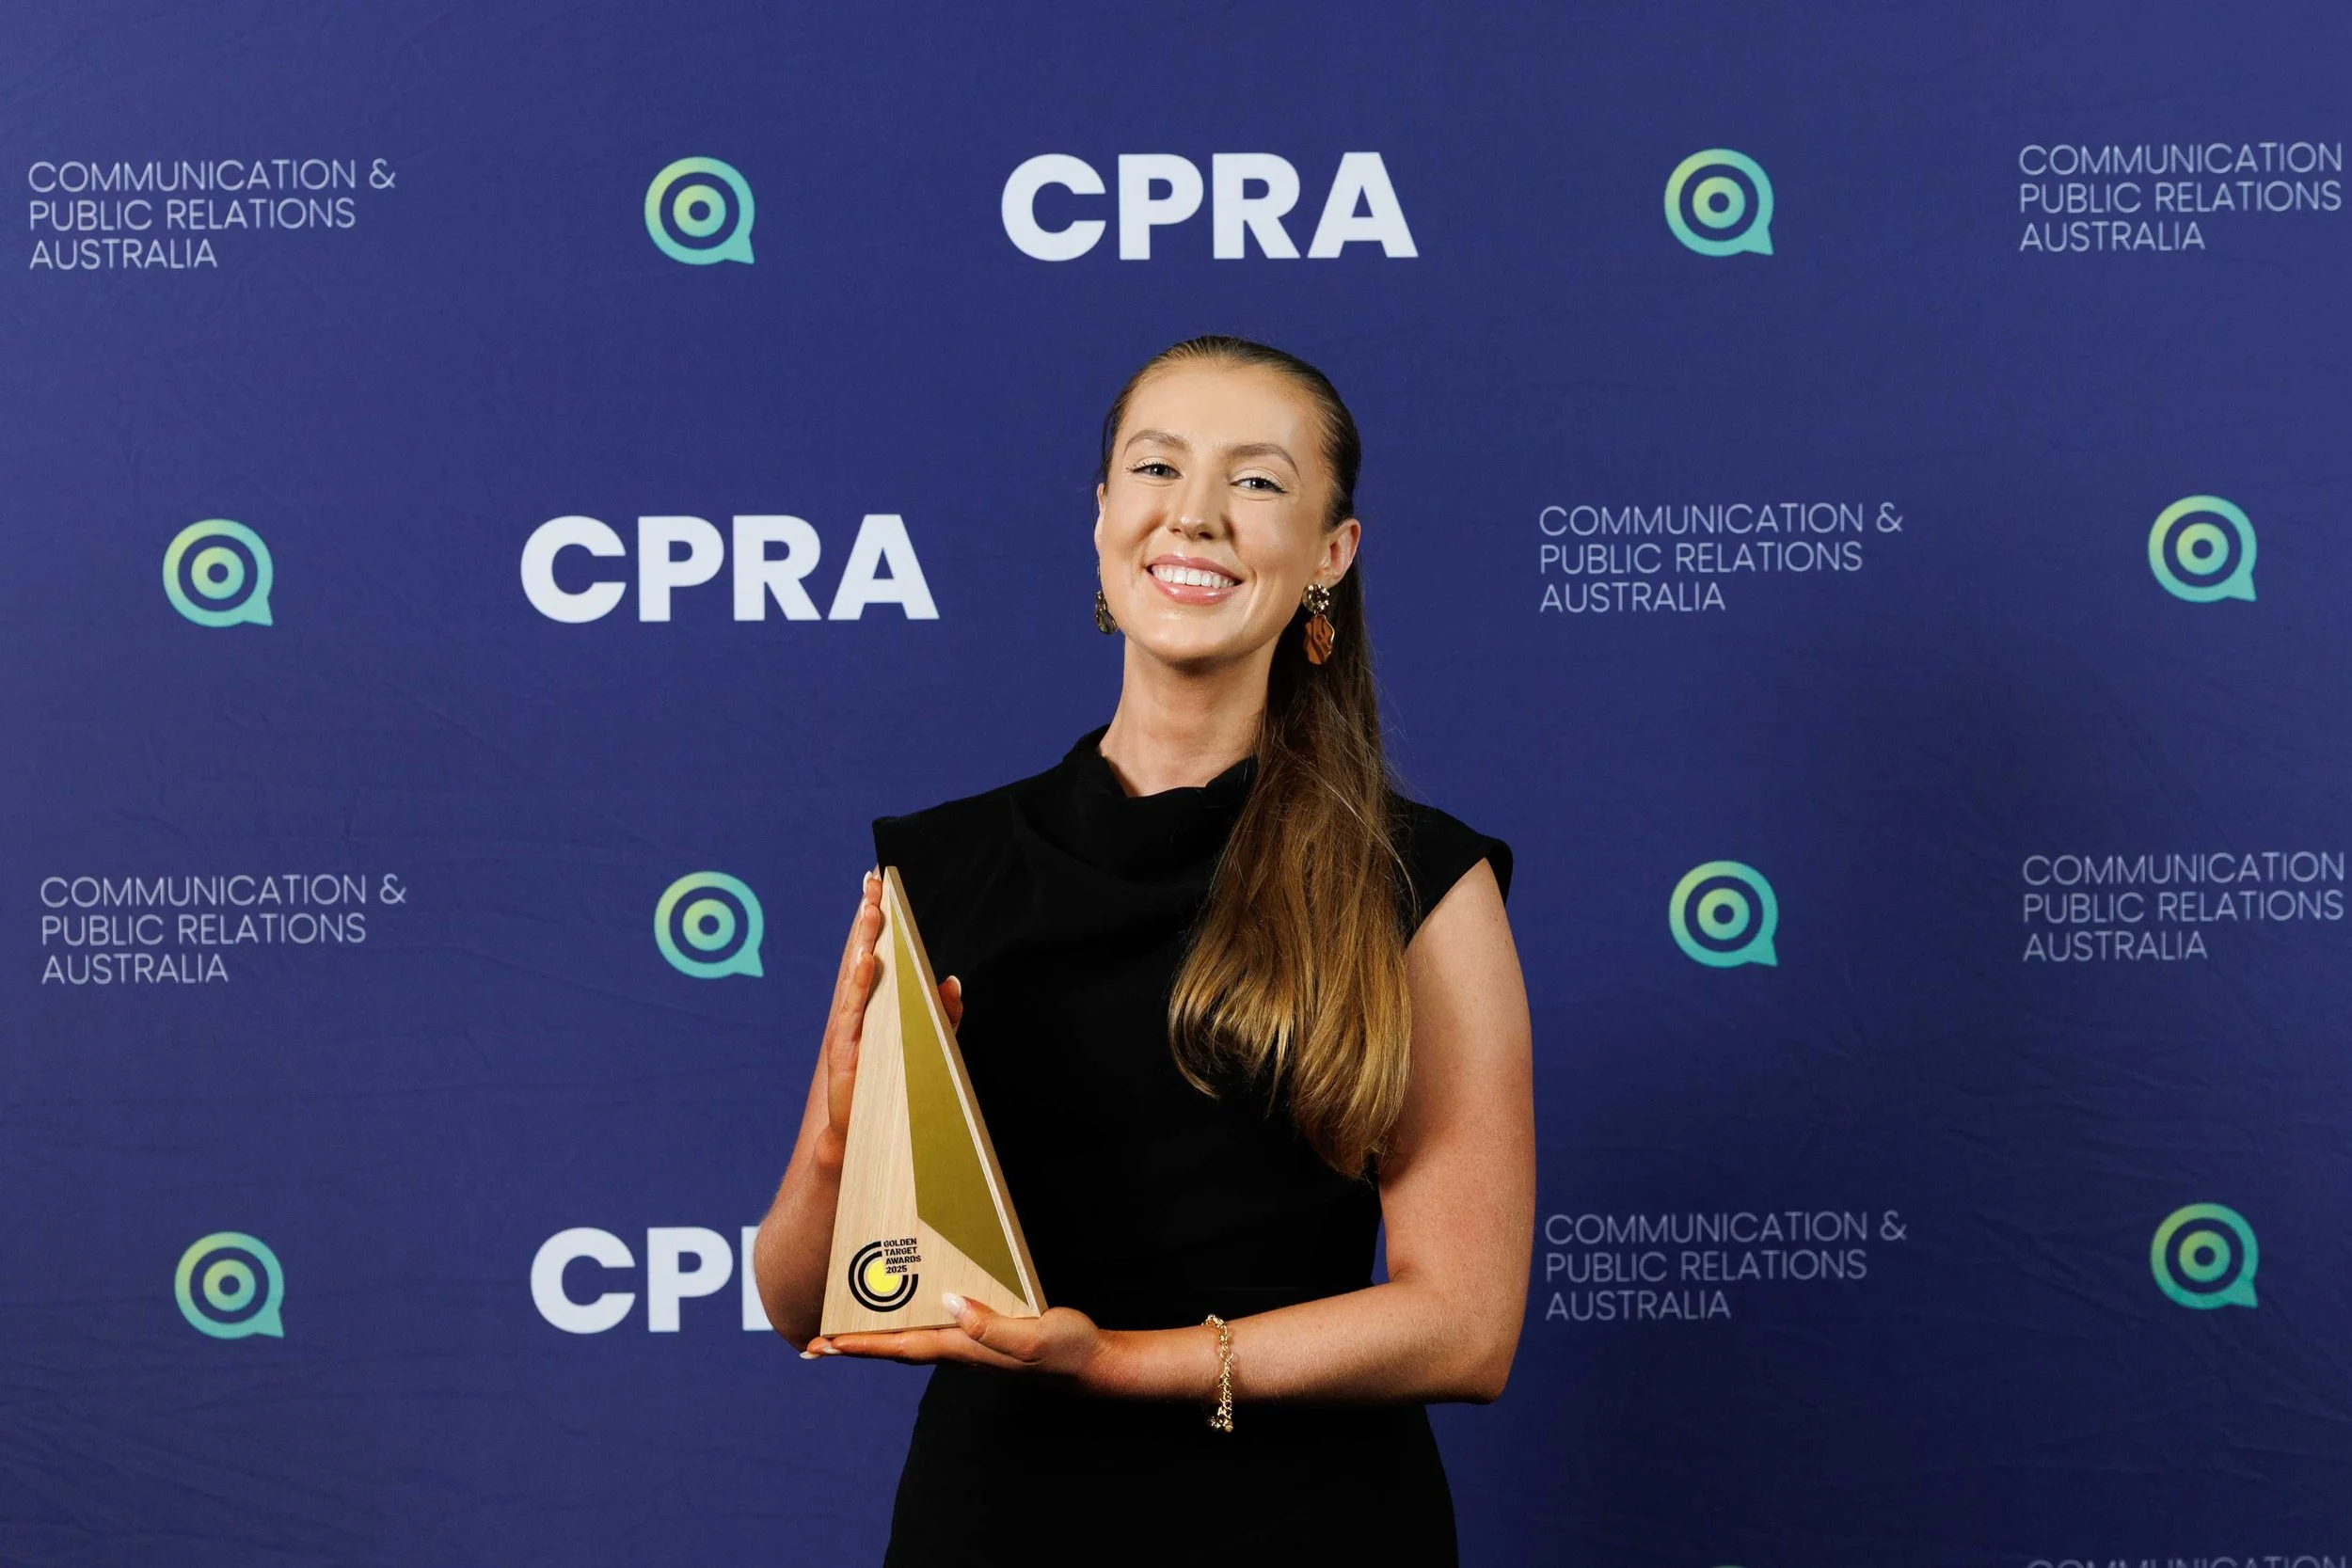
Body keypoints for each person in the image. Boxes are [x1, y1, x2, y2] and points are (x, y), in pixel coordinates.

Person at [751, 335, 1534, 1565]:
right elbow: (803, 1300)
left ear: (1332, 555)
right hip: (995, 1523)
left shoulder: (1414, 879)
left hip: (1309, 1528)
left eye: (1260, 481)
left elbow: (1466, 1327)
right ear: (1105, 515)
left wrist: (1116, 1361)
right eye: (1158, 466)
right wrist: (841, 1136)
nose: (1199, 514)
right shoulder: (945, 866)